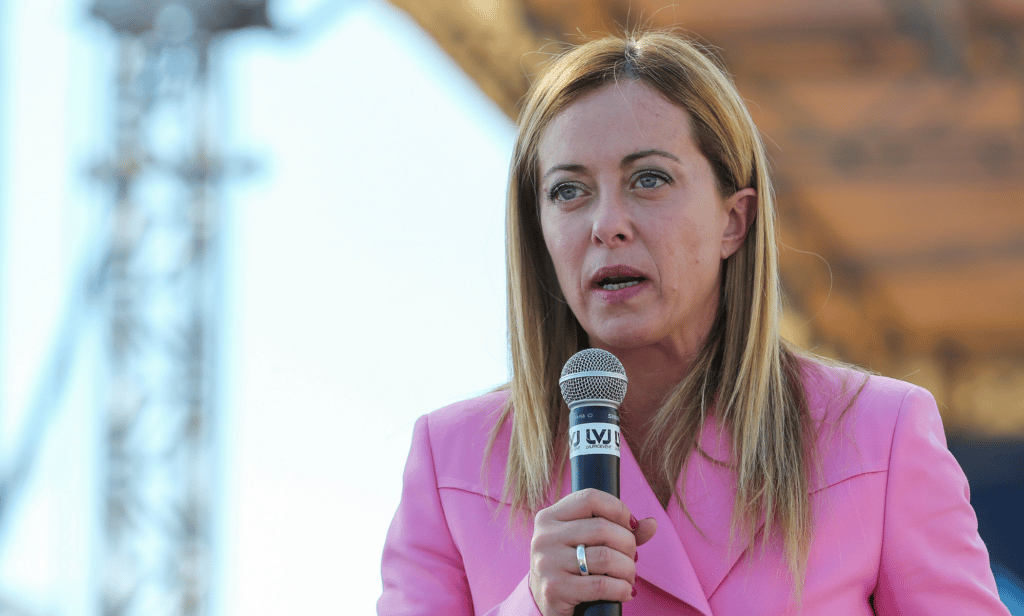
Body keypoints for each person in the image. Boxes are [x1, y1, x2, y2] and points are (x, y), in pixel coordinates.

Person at [376, 31, 1010, 615]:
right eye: (568, 190)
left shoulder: (880, 432)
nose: (606, 223)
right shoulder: (449, 461)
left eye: (648, 179)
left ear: (733, 221)